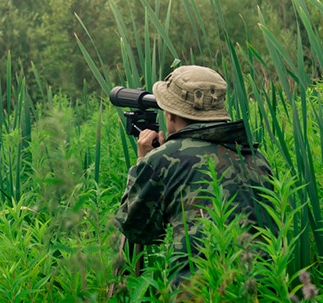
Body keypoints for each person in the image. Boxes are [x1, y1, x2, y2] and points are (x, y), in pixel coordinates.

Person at [113, 65, 275, 289]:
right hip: (260, 288)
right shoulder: (255, 156)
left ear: (169, 114)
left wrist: (144, 162)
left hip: (198, 290)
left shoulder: (166, 158)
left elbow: (136, 229)